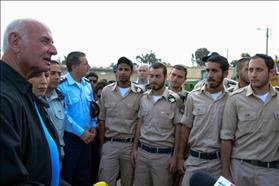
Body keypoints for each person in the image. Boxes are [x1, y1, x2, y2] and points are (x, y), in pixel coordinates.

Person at [0, 18, 60, 186]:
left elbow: (40, 169)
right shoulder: (4, 98)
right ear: (15, 42)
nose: (54, 50)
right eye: (45, 41)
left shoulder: (25, 94)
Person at [220, 54, 279, 186]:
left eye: (259, 70)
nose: (253, 74)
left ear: (272, 73)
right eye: (250, 70)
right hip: (239, 170)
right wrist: (225, 173)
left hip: (270, 174)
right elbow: (226, 138)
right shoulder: (235, 99)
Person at [177, 53, 230, 186]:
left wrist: (226, 169)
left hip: (219, 164)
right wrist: (179, 157)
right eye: (207, 70)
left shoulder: (232, 99)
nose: (209, 75)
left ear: (226, 74)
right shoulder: (193, 97)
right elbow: (185, 128)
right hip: (194, 161)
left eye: (214, 71)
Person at [131, 62, 182, 186]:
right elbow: (140, 124)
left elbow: (179, 130)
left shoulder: (175, 100)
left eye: (158, 76)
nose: (154, 79)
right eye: (151, 76)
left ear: (165, 77)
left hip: (163, 157)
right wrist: (134, 149)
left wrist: (175, 156)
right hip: (142, 154)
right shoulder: (143, 98)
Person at [98, 57, 143, 186]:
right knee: (105, 182)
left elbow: (140, 122)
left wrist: (135, 148)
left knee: (128, 182)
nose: (123, 72)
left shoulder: (140, 93)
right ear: (116, 71)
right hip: (110, 144)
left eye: (126, 69)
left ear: (132, 72)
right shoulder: (107, 91)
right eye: (120, 69)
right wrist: (102, 145)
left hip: (129, 146)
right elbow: (102, 119)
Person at [59, 51, 97, 186]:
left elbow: (92, 107)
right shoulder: (62, 85)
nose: (89, 66)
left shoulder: (87, 85)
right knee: (69, 176)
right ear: (74, 67)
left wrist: (93, 125)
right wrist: (81, 132)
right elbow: (62, 114)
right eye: (85, 64)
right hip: (71, 139)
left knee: (84, 176)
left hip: (87, 138)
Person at [168, 64, 188, 186]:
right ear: (169, 76)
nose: (175, 79)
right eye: (173, 75)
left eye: (179, 77)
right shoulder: (157, 93)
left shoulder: (190, 98)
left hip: (181, 147)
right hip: (162, 146)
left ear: (185, 79)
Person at [45, 60, 66, 161]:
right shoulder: (33, 98)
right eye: (52, 73)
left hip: (58, 154)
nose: (57, 77)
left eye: (59, 74)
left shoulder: (61, 99)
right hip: (41, 153)